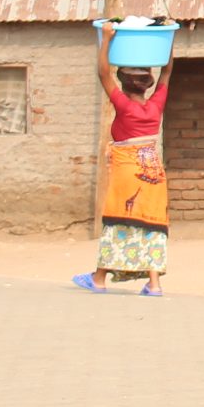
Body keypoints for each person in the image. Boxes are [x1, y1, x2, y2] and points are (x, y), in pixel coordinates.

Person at [73, 24, 170, 296]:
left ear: (124, 82)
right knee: (151, 223)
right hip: (153, 172)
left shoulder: (124, 105)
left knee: (118, 220)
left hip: (128, 173)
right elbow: (168, 70)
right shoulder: (156, 105)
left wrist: (106, 39)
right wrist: (167, 40)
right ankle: (154, 283)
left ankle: (99, 278)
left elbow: (102, 72)